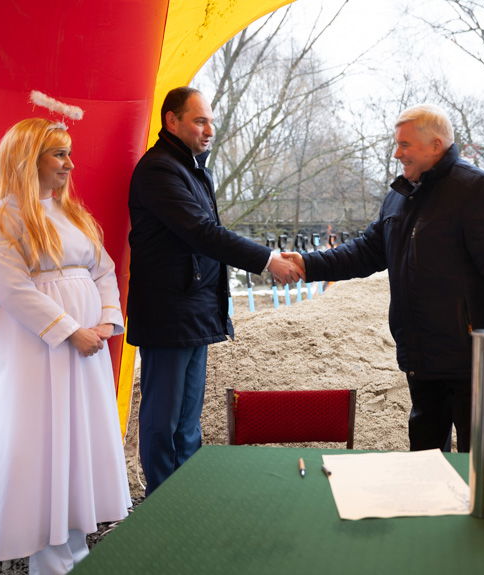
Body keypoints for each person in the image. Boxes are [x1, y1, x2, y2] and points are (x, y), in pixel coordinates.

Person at [284, 104, 484, 452]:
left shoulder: (477, 190)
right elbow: (365, 252)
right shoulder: (399, 197)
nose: (397, 153)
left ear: (435, 145)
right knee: (425, 457)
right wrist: (307, 264)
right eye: (397, 144)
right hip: (421, 357)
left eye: (404, 145)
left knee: (476, 461)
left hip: (471, 358)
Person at [127, 87, 300, 495]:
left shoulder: (190, 169)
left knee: (188, 422)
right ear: (172, 121)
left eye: (211, 122)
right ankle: (163, 505)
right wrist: (267, 260)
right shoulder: (159, 171)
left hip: (193, 310)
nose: (209, 130)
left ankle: (187, 497)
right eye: (200, 121)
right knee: (164, 421)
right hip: (168, 315)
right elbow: (204, 233)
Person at [0, 117, 130, 573]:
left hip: (86, 347)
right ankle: (51, 562)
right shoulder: (1, 217)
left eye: (69, 153)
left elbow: (103, 270)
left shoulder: (73, 214)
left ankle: (78, 551)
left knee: (80, 437)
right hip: (37, 349)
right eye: (59, 154)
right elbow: (13, 290)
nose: (70, 164)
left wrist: (105, 320)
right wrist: (70, 330)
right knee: (44, 439)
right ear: (29, 159)